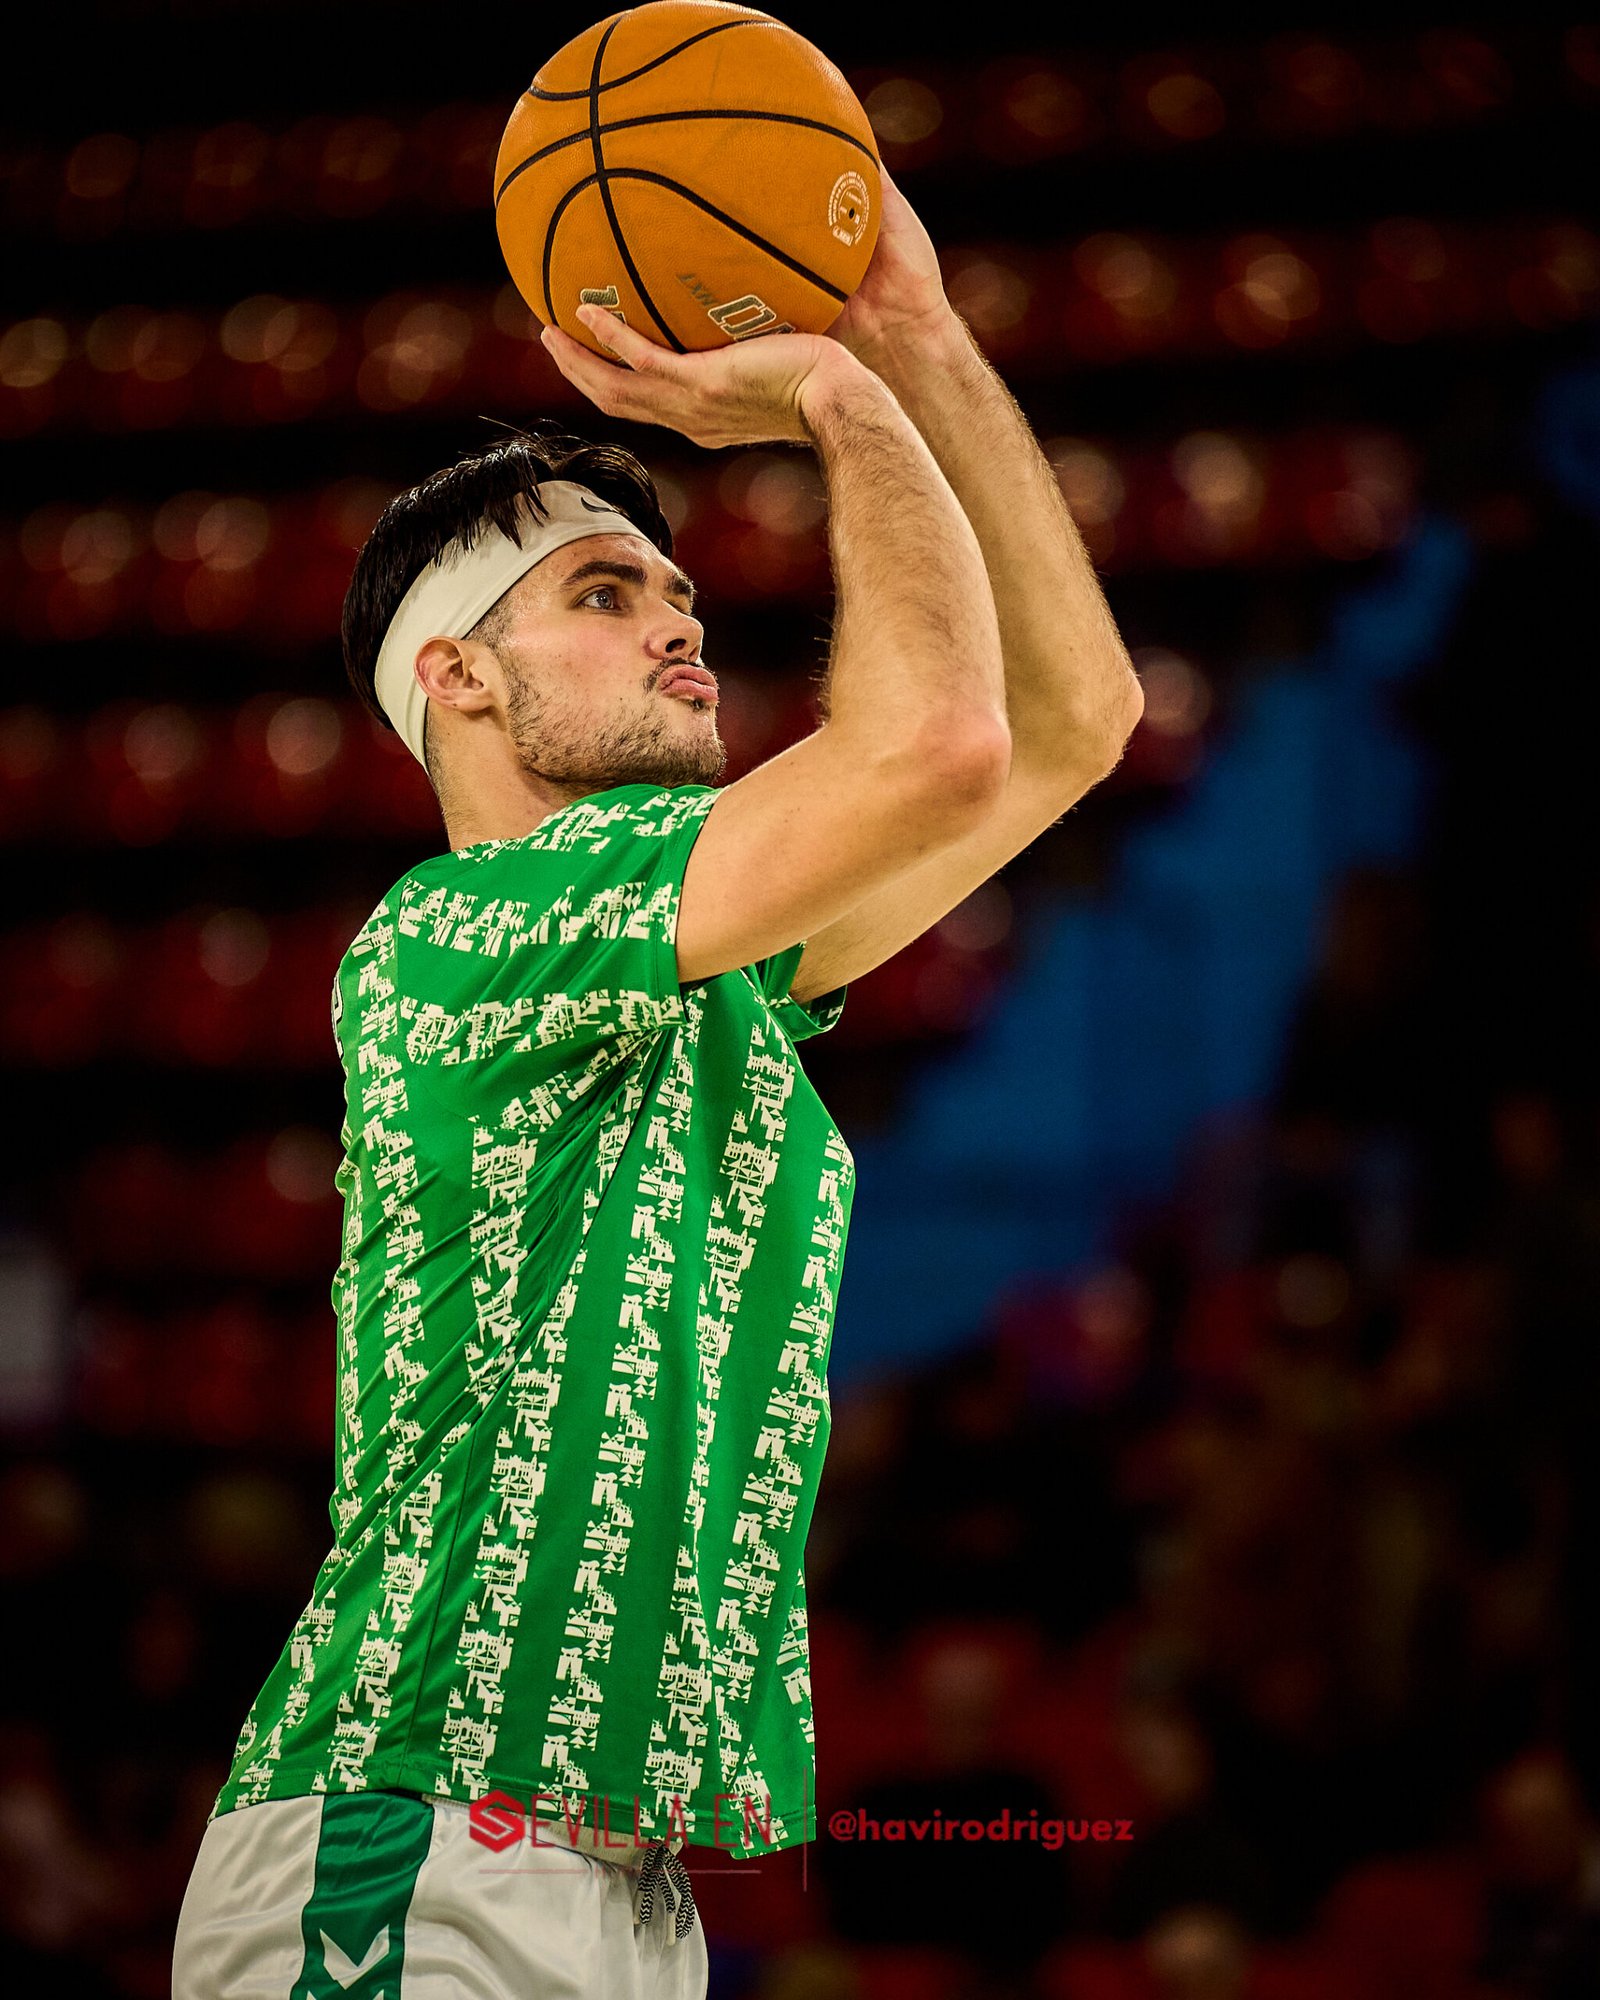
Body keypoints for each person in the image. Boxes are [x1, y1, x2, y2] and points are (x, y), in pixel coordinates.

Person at [171, 166, 1142, 1999]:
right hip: (411, 1825)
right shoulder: (458, 933)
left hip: (622, 1878)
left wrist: (918, 336)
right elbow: (941, 741)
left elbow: (1075, 725)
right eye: (609, 595)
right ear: (456, 676)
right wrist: (834, 393)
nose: (682, 626)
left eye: (681, 593)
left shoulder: (710, 969)